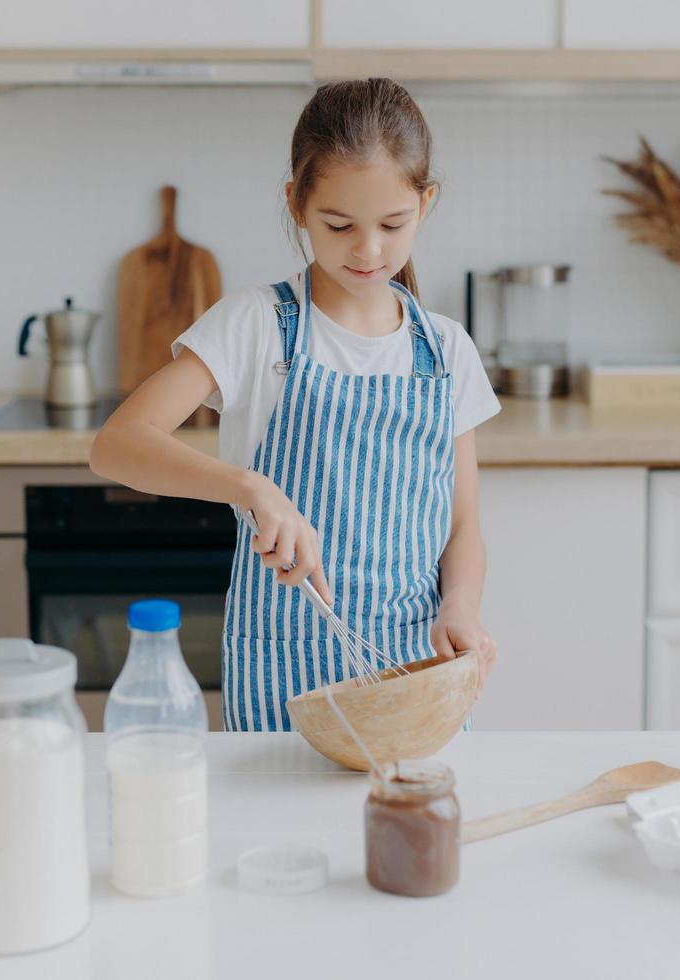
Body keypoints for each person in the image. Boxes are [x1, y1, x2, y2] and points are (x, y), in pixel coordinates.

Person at [91, 78, 501, 732]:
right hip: (284, 671)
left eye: (392, 225)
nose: (367, 251)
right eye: (338, 225)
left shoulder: (446, 349)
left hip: (413, 669)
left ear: (425, 204)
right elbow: (116, 444)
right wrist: (251, 488)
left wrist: (460, 607)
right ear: (297, 204)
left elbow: (462, 526)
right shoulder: (256, 324)